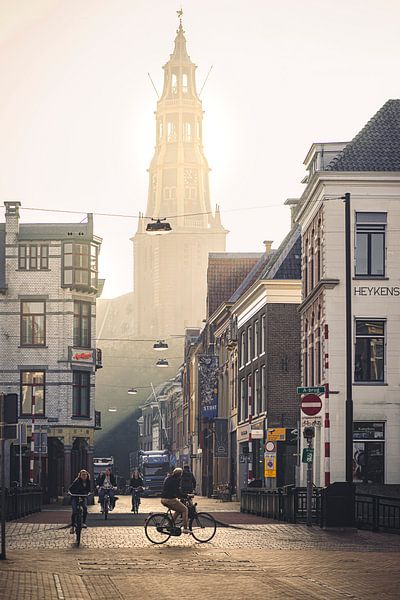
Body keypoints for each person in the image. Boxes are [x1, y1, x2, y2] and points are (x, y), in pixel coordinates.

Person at [160, 467, 190, 533]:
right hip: (170, 499)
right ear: (179, 475)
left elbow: (172, 490)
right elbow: (177, 492)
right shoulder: (176, 480)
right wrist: (186, 496)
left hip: (163, 499)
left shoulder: (168, 478)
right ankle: (185, 528)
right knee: (185, 509)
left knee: (179, 510)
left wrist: (180, 495)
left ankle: (169, 524)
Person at [68, 469, 91, 534]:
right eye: (82, 474)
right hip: (75, 497)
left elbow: (89, 489)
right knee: (74, 511)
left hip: (83, 497)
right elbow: (70, 488)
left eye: (85, 474)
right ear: (80, 475)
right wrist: (70, 493)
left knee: (85, 508)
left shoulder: (88, 482)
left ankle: (83, 522)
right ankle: (72, 526)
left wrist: (88, 493)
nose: (84, 476)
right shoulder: (77, 481)